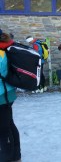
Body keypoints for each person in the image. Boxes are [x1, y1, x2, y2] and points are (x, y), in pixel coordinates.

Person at [0, 29, 21, 162]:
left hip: (2, 96)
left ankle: (7, 158)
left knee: (3, 130)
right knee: (9, 125)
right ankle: (15, 156)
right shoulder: (5, 49)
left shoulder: (1, 52)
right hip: (7, 93)